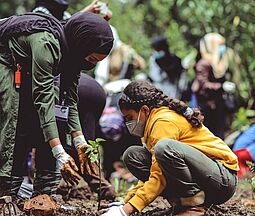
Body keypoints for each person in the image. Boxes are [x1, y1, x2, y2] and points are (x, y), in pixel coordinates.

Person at [0, 12, 113, 200]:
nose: (90, 65)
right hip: (5, 60)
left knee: (56, 112)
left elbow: (70, 100)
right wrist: (60, 152)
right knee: (12, 115)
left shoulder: (74, 53)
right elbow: (43, 100)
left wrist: (80, 143)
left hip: (26, 67)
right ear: (82, 46)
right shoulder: (47, 44)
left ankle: (44, 192)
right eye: (92, 59)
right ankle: (5, 190)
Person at [102, 80, 238, 215]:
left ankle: (193, 207)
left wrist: (126, 211)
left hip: (223, 179)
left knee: (164, 148)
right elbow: (151, 173)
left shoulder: (163, 122)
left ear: (144, 109)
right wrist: (126, 202)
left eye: (129, 117)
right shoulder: (150, 123)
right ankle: (182, 204)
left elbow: (158, 175)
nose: (127, 122)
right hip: (205, 178)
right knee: (133, 155)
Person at [191, 59, 225, 139]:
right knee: (207, 127)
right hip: (204, 102)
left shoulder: (216, 62)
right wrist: (220, 86)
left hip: (211, 102)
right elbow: (203, 83)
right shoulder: (202, 64)